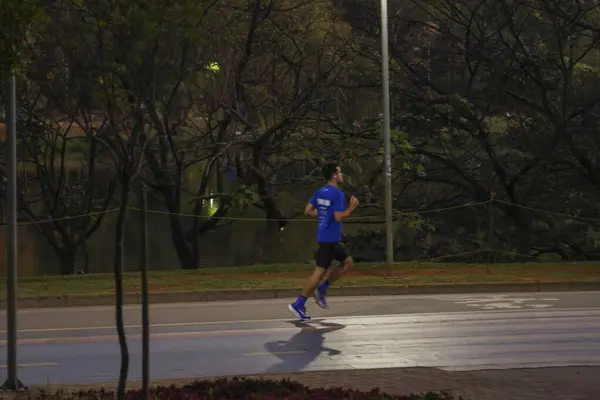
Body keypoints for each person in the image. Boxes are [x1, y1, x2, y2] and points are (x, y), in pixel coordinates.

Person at [288, 163, 359, 320]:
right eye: (340, 172)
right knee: (319, 272)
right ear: (334, 175)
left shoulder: (320, 191)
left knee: (348, 262)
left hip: (327, 237)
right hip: (329, 239)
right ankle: (298, 303)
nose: (342, 175)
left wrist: (322, 214)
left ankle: (322, 289)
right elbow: (339, 217)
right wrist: (351, 207)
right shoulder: (337, 194)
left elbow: (307, 211)